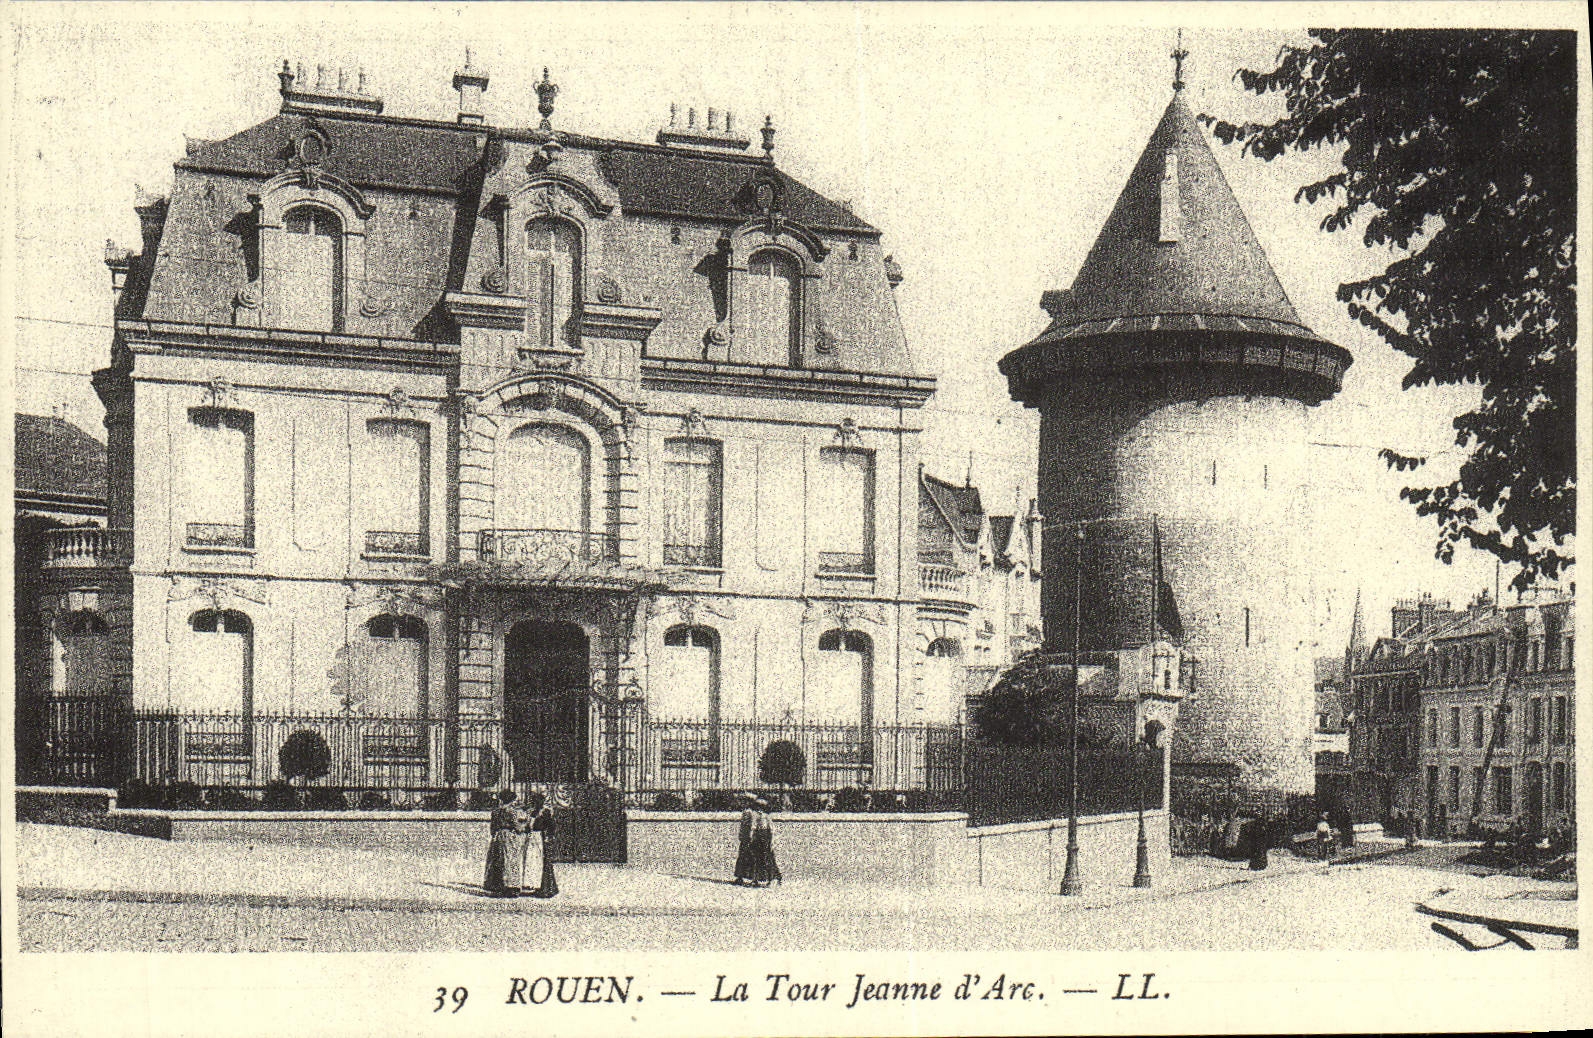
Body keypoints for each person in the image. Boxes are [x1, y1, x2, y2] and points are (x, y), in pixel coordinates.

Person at [482, 789, 529, 897]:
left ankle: (497, 885)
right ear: (511, 800)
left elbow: (492, 828)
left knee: (497, 860)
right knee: (511, 860)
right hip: (509, 837)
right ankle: (511, 887)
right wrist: (525, 824)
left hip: (498, 837)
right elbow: (518, 827)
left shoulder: (496, 811)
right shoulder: (511, 811)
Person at [748, 797, 783, 887]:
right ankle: (756, 879)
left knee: (768, 859)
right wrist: (752, 838)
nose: (759, 810)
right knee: (757, 859)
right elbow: (753, 828)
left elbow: (772, 830)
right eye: (757, 808)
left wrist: (772, 842)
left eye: (761, 808)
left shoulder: (767, 817)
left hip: (766, 839)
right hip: (758, 839)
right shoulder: (756, 817)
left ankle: (772, 879)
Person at [529, 801, 558, 898]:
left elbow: (551, 825)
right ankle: (540, 887)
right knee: (539, 864)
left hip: (543, 839)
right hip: (536, 839)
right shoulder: (534, 813)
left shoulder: (545, 812)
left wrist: (549, 836)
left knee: (546, 863)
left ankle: (548, 889)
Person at [733, 792, 758, 885]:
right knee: (743, 857)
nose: (741, 803)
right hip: (744, 838)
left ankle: (754, 879)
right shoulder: (745, 812)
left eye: (744, 801)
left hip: (748, 839)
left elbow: (752, 826)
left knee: (750, 858)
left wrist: (750, 836)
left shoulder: (750, 813)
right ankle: (740, 877)